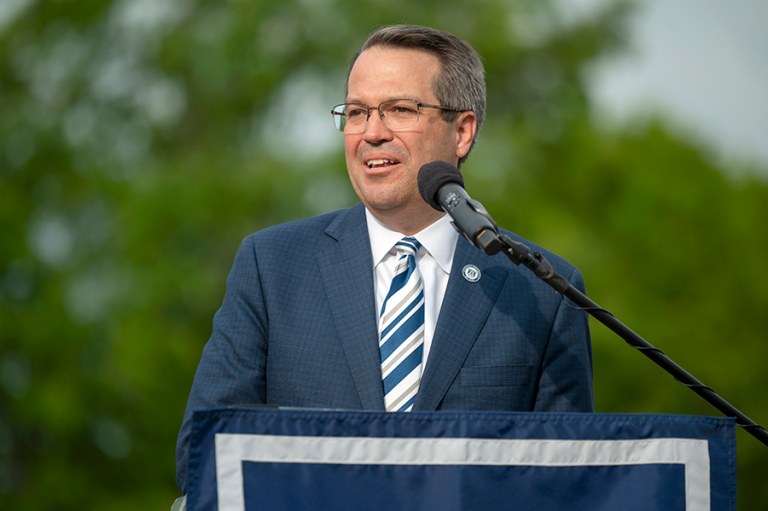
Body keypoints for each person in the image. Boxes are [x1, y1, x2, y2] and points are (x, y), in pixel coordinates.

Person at [175, 25, 593, 494]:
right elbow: (204, 452)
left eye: (399, 110)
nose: (372, 133)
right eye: (356, 113)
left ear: (462, 131)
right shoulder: (271, 267)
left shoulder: (541, 291)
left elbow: (565, 481)